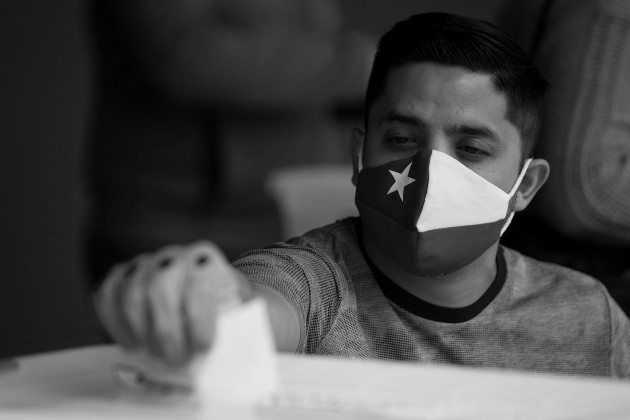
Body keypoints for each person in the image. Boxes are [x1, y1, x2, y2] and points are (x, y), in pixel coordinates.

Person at [95, 12, 630, 378]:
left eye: (470, 149)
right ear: (359, 157)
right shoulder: (312, 283)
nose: (428, 171)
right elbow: (257, 309)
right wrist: (208, 308)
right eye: (401, 140)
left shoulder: (590, 317)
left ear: (525, 186)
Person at [86, 0, 373, 288]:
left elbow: (309, 53)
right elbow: (185, 54)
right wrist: (367, 64)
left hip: (286, 222)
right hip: (179, 228)